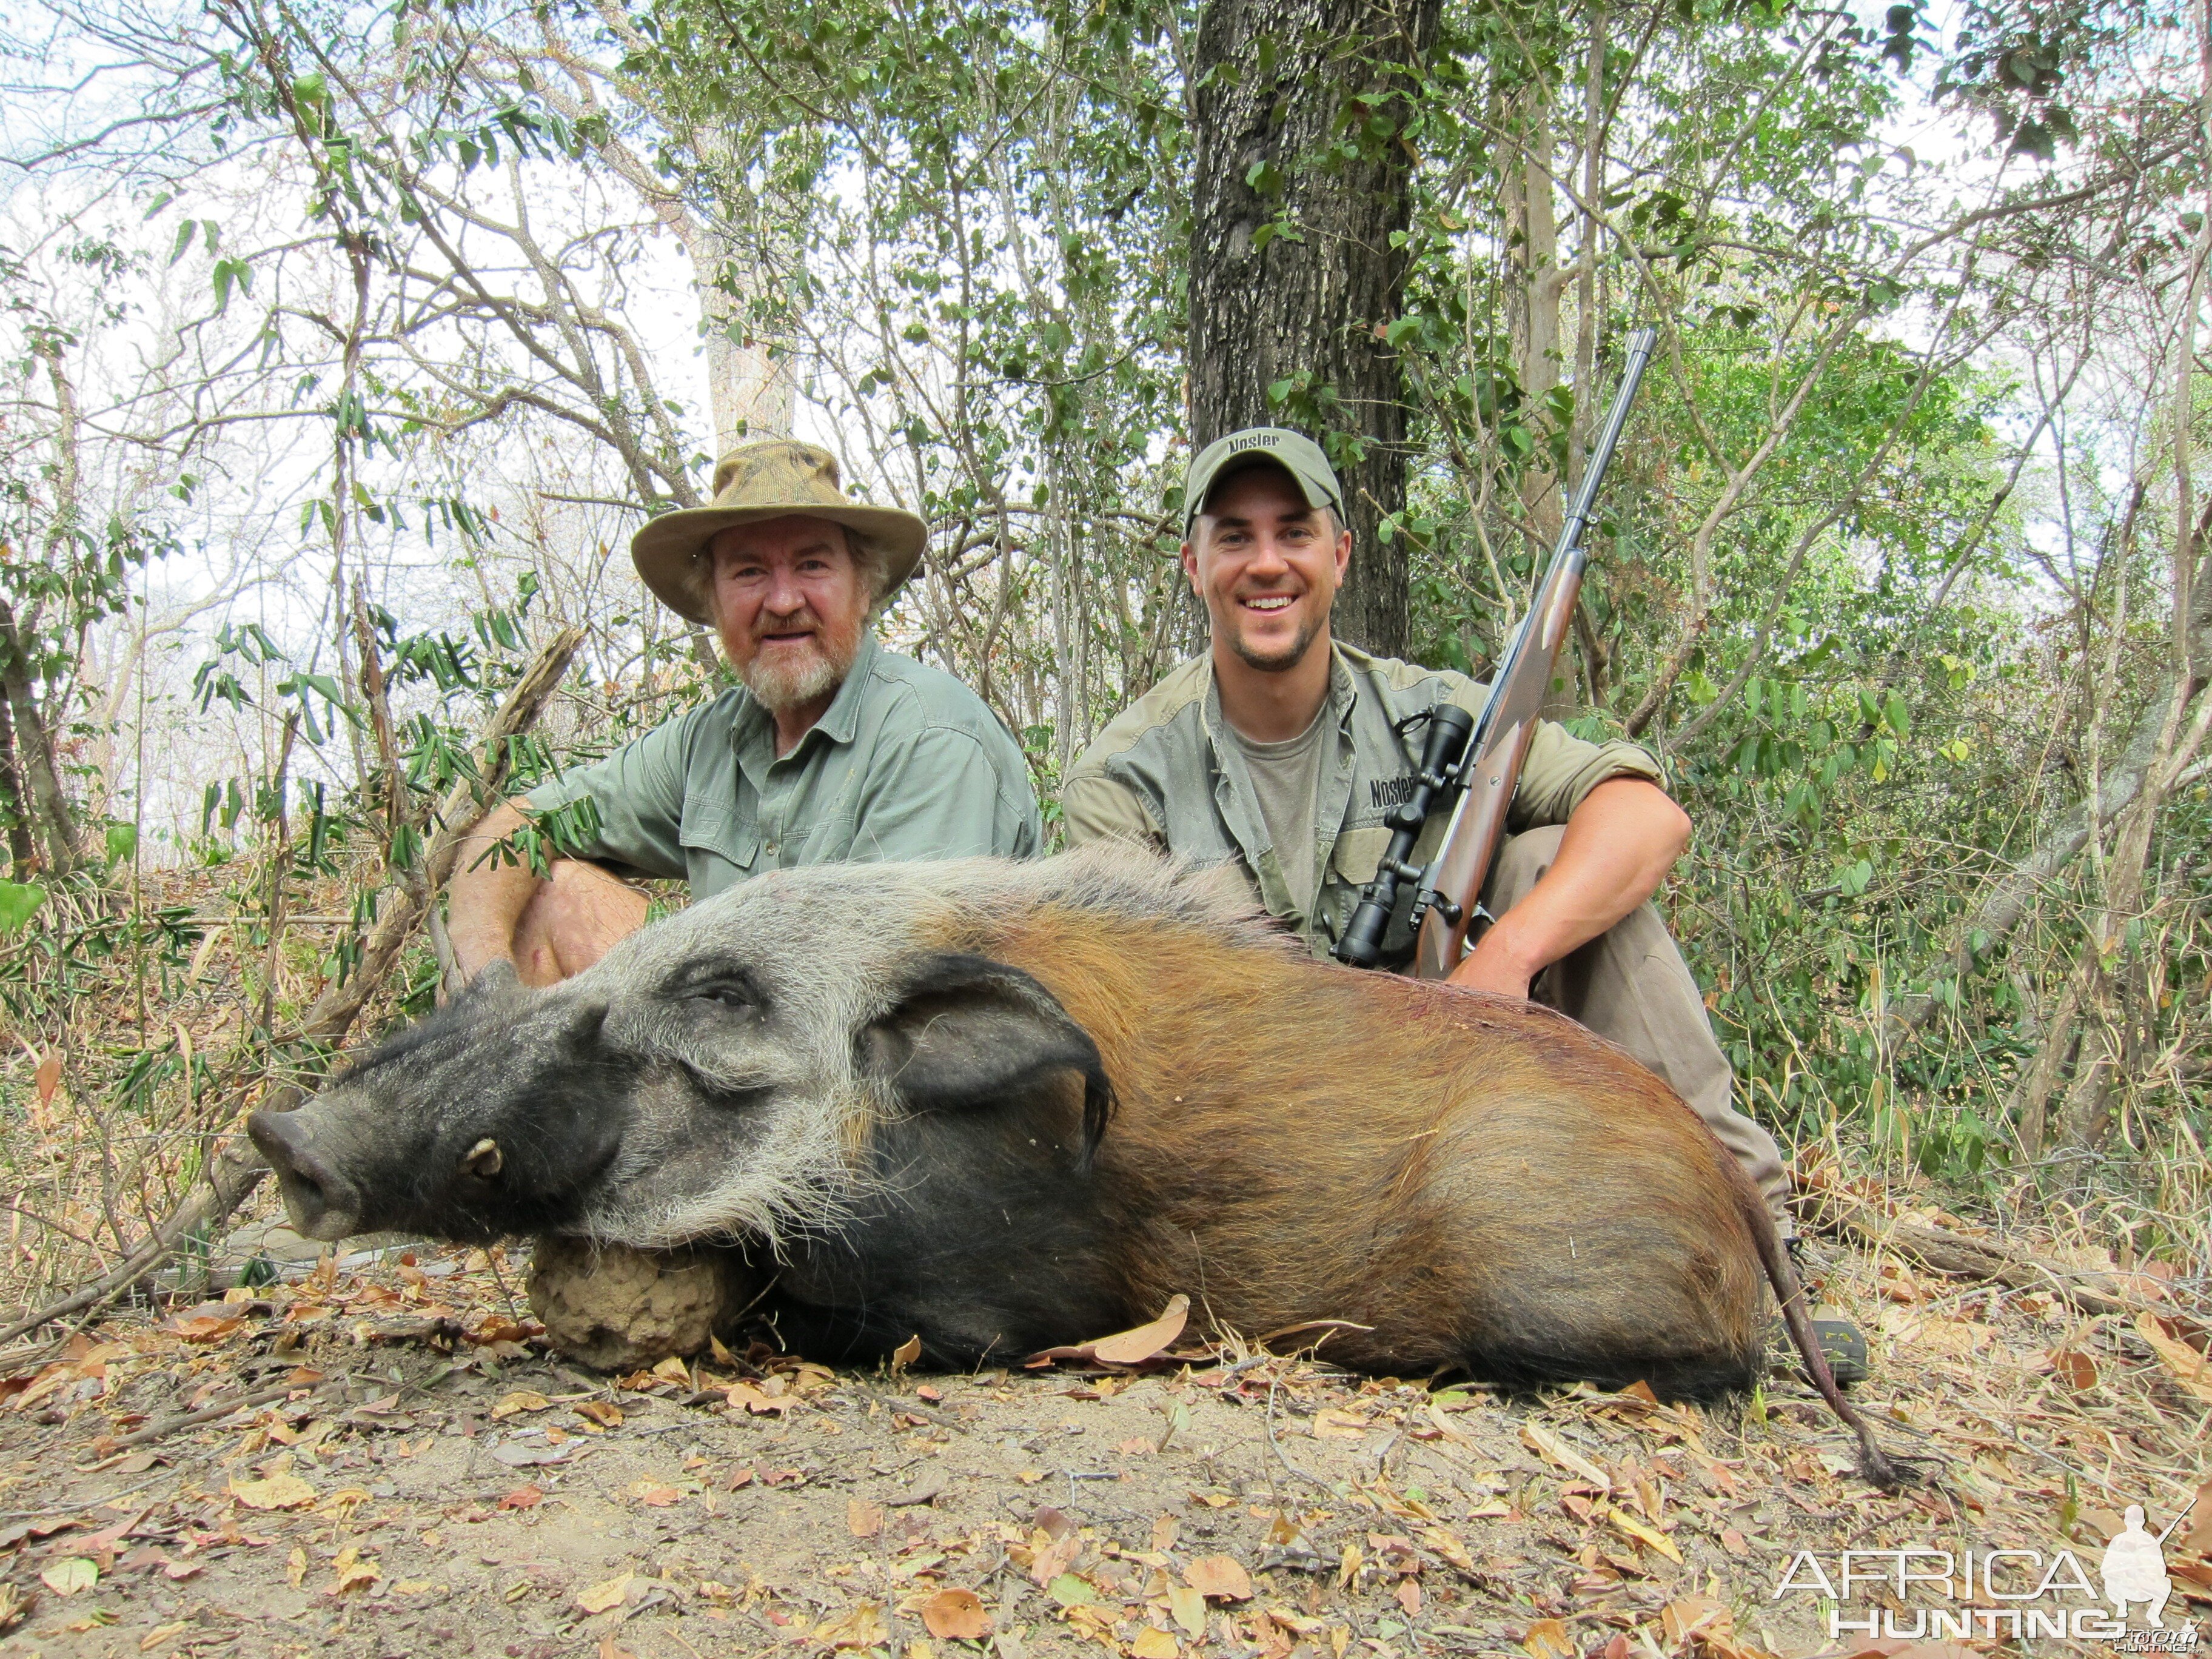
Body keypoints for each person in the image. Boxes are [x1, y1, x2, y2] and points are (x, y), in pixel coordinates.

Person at [1061, 427, 1865, 1376]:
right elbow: (1135, 1022)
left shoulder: (1434, 711)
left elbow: (1648, 820)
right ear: (1194, 564)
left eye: (1294, 533)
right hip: (1262, 1142)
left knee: (1549, 859)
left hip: (1453, 1111)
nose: (1267, 563)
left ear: (1340, 555)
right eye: (1234, 537)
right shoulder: (1122, 778)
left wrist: (1505, 958)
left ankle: (1765, 1245)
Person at [448, 438, 1042, 984]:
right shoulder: (709, 740)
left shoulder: (931, 736)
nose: (783, 601)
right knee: (551, 893)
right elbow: (523, 823)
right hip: (746, 1054)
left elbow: (885, 1006)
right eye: (750, 572)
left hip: (893, 1073)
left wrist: (662, 987)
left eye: (813, 565)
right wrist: (482, 978)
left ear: (863, 588)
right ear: (712, 601)